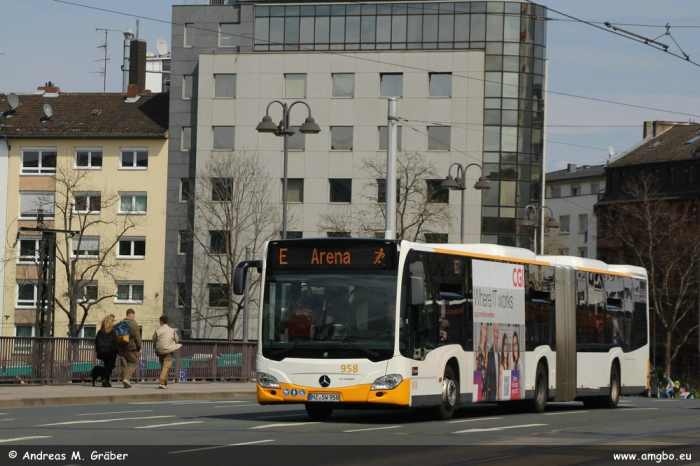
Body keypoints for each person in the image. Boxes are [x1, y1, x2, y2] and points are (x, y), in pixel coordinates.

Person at [152, 315, 182, 389]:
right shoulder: (172, 330)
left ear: (161, 322)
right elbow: (177, 340)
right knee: (166, 367)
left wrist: (155, 347)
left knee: (163, 367)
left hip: (160, 351)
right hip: (169, 351)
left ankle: (165, 383)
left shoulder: (157, 331)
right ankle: (162, 382)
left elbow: (154, 340)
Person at [117, 308, 142, 388]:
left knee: (124, 365)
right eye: (134, 315)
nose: (134, 317)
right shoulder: (133, 323)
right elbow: (137, 337)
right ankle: (127, 379)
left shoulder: (120, 323)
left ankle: (125, 383)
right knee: (133, 363)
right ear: (132, 315)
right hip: (131, 347)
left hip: (121, 347)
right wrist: (139, 347)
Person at [94, 314, 117, 387]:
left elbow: (96, 341)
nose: (115, 322)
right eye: (114, 320)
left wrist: (98, 350)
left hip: (102, 352)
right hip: (111, 352)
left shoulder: (100, 331)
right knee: (109, 366)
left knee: (106, 365)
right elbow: (115, 342)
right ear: (111, 322)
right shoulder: (112, 332)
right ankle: (105, 380)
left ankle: (104, 379)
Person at [485, 323, 500, 401]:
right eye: (496, 332)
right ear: (493, 332)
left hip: (498, 393)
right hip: (492, 394)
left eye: (498, 332)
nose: (497, 335)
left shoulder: (499, 354)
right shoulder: (489, 353)